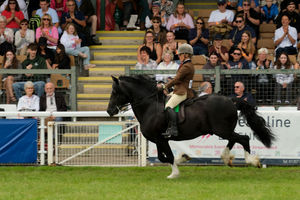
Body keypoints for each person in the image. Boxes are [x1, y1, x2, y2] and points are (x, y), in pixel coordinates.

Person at [159, 43, 195, 137]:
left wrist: (165, 86)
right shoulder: (185, 64)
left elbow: (177, 79)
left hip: (182, 91)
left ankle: (174, 129)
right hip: (179, 89)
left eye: (180, 54)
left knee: (168, 106)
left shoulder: (187, 66)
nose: (178, 56)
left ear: (185, 54)